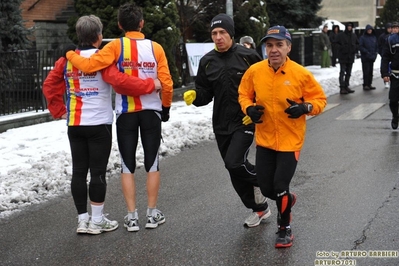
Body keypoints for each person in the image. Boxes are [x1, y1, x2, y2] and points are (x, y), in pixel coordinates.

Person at [43, 15, 160, 234]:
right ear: (99, 35)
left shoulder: (67, 58)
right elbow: (120, 81)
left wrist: (59, 110)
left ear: (79, 35)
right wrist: (150, 85)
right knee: (97, 172)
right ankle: (97, 221)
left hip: (75, 123)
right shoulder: (103, 58)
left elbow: (49, 84)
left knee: (78, 172)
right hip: (99, 123)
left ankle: (82, 220)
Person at [65, 3, 174, 232]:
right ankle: (152, 215)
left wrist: (68, 53)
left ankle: (132, 217)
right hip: (152, 111)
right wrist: (165, 108)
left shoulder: (115, 46)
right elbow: (167, 83)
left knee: (127, 166)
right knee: (152, 163)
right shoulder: (156, 48)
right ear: (142, 23)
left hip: (125, 113)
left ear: (120, 25)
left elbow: (89, 64)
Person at [238, 25, 327, 248]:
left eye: (279, 44)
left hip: (290, 141)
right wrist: (248, 109)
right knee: (267, 188)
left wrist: (305, 107)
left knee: (279, 185)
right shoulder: (255, 71)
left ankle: (284, 227)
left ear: (289, 47)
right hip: (266, 140)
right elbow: (243, 94)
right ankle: (288, 198)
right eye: (270, 45)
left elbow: (320, 101)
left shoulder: (301, 74)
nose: (274, 49)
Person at [183, 13, 270, 228]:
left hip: (245, 121)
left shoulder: (248, 56)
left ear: (231, 33)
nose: (218, 37)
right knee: (232, 170)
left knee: (235, 162)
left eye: (222, 32)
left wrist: (256, 111)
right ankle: (260, 209)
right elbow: (205, 93)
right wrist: (195, 97)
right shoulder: (207, 61)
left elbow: (264, 86)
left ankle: (264, 180)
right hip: (221, 123)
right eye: (214, 33)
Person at [381, 22, 399, 129]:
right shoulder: (390, 40)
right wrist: (385, 73)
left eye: (397, 27)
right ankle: (395, 116)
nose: (396, 29)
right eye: (394, 28)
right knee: (393, 100)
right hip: (395, 74)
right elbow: (385, 58)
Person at [336, 22, 358, 94]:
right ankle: (342, 87)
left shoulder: (353, 35)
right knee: (342, 72)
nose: (349, 27)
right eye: (348, 26)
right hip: (343, 56)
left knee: (348, 72)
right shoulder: (341, 35)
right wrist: (342, 48)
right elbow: (335, 44)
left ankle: (346, 85)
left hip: (350, 56)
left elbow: (357, 43)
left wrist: (354, 49)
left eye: (350, 26)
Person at [358, 24, 378, 90]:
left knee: (370, 72)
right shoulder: (363, 38)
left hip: (372, 57)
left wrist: (375, 54)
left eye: (370, 30)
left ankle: (369, 84)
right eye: (368, 30)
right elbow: (361, 46)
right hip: (365, 57)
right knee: (366, 71)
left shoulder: (374, 37)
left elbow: (376, 47)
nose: (369, 31)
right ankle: (365, 84)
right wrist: (366, 52)